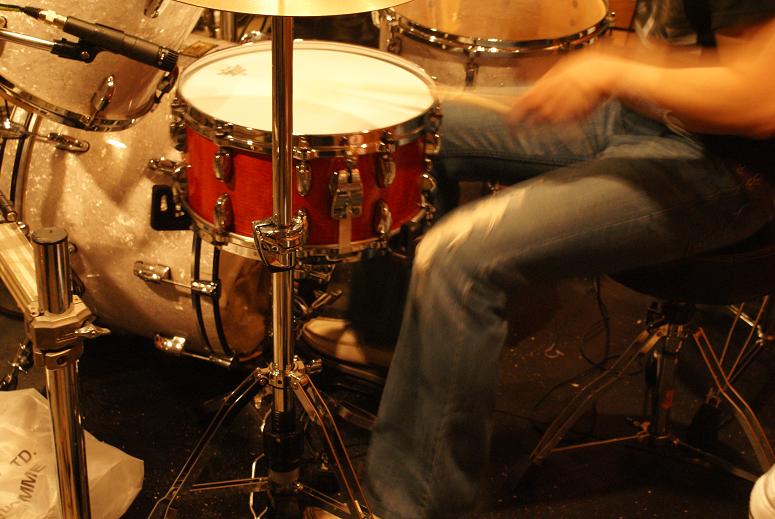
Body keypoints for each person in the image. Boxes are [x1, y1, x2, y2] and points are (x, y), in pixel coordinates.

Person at [306, 0, 775, 517]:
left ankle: (411, 507)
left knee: (460, 261)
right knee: (406, 129)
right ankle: (391, 336)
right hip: (638, 116)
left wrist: (610, 70)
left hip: (719, 169)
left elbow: (760, 99)